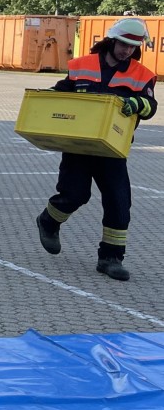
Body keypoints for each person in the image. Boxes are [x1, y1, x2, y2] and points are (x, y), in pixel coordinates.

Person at [36, 17, 157, 281]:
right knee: (74, 195)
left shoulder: (141, 74)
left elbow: (151, 107)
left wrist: (137, 104)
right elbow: (62, 92)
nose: (127, 50)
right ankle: (48, 221)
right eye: (124, 44)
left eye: (133, 46)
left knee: (119, 202)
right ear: (112, 40)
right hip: (79, 144)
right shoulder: (82, 65)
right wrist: (45, 101)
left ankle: (111, 258)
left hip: (112, 147)